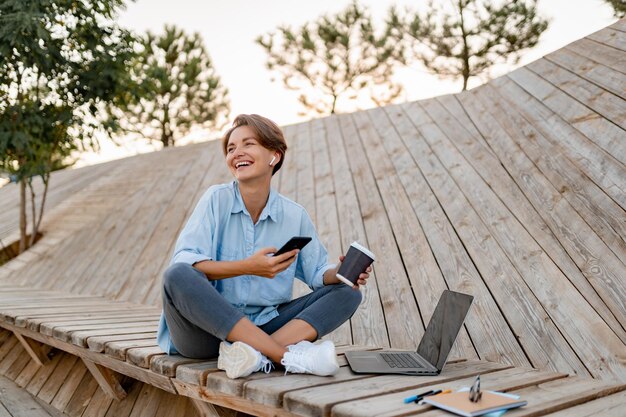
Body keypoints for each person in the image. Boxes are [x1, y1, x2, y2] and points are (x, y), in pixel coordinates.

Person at [157, 114, 371, 379]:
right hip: (204, 334)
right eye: (231, 148)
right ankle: (282, 356)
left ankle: (252, 356)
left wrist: (339, 270)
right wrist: (247, 267)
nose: (237, 153)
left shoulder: (295, 216)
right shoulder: (216, 199)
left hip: (268, 323)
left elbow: (317, 273)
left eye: (248, 144)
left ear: (274, 156)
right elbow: (187, 262)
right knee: (177, 274)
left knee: (348, 292)